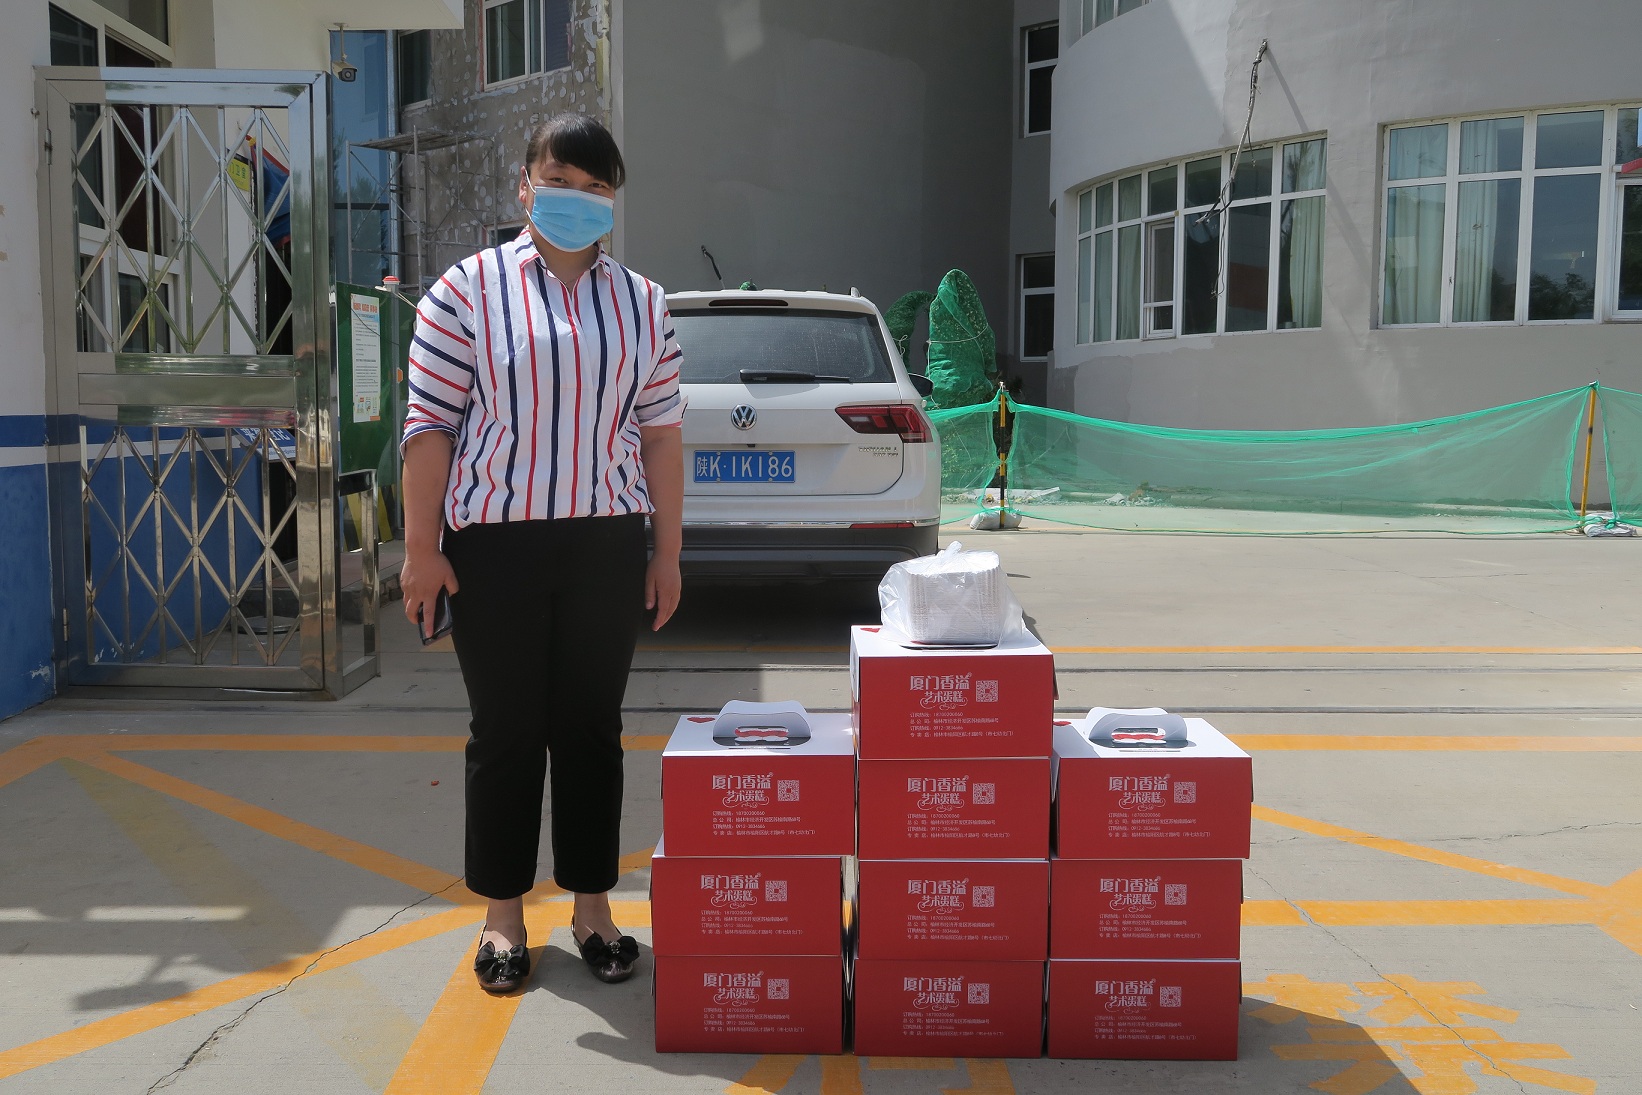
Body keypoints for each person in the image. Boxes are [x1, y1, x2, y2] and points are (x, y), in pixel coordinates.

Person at [398, 113, 684, 993]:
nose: (576, 198)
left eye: (596, 187)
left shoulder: (644, 304)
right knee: (507, 731)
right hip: (493, 547)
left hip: (605, 542)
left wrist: (667, 553)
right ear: (525, 185)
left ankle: (593, 906)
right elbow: (430, 427)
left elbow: (661, 435)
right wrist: (420, 549)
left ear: (613, 201)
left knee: (593, 729)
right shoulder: (466, 291)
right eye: (559, 180)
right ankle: (502, 915)